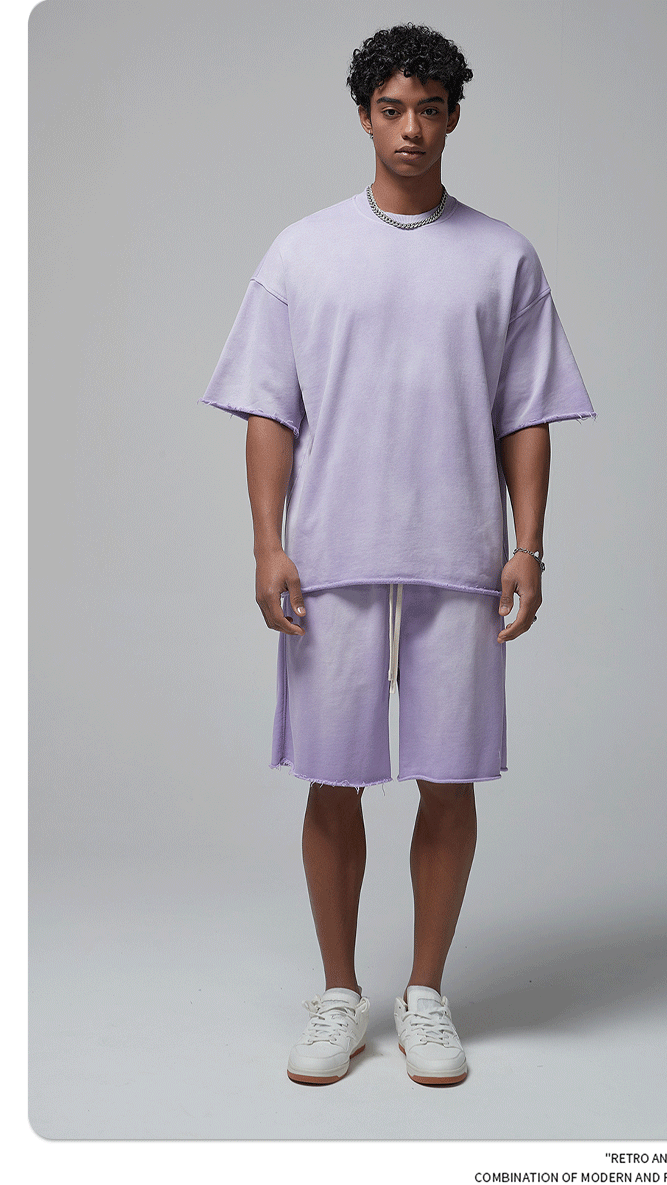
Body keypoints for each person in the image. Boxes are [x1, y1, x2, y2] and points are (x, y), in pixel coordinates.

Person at [200, 22, 596, 1087]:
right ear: (365, 116)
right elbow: (269, 411)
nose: (411, 128)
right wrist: (268, 544)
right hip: (331, 556)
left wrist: (529, 546)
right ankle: (340, 995)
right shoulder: (302, 251)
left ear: (454, 117)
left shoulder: (503, 257)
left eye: (429, 109)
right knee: (333, 778)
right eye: (392, 109)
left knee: (448, 779)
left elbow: (526, 413)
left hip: (460, 555)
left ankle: (425, 995)